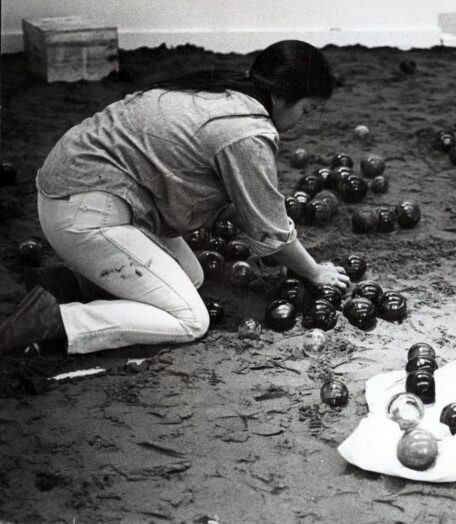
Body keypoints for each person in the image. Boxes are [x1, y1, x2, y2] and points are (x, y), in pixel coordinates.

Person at [0, 39, 350, 355]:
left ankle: (66, 284)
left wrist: (258, 214)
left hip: (79, 188)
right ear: (280, 94)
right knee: (189, 319)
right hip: (83, 209)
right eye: (307, 110)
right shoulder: (246, 131)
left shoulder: (220, 90)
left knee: (191, 277)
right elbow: (271, 233)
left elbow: (243, 210)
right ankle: (55, 320)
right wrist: (315, 272)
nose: (305, 121)